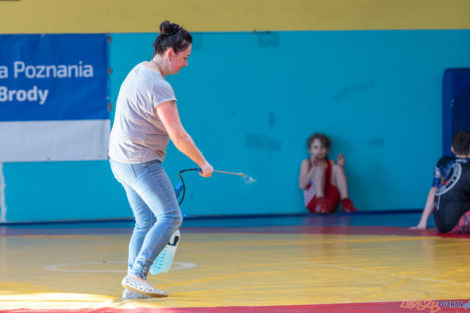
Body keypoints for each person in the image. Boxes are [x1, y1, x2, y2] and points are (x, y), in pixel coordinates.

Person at [108, 20, 213, 299]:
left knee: (144, 221)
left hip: (120, 161)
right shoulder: (159, 86)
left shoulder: (138, 69)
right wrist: (203, 163)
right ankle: (137, 274)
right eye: (185, 57)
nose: (186, 64)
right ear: (170, 54)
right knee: (171, 216)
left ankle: (133, 289)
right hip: (140, 162)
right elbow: (178, 136)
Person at [410, 130, 470, 234]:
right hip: (457, 225)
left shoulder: (443, 163)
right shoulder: (467, 169)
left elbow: (434, 190)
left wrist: (422, 222)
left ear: (452, 149)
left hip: (442, 225)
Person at [299, 133, 357, 214]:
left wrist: (340, 166)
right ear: (310, 150)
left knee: (337, 168)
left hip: (330, 202)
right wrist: (313, 169)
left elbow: (335, 182)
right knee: (318, 168)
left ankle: (346, 203)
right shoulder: (306, 163)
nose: (319, 150)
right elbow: (302, 185)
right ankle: (320, 201)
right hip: (314, 203)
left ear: (327, 150)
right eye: (315, 147)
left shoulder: (331, 163)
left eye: (322, 147)